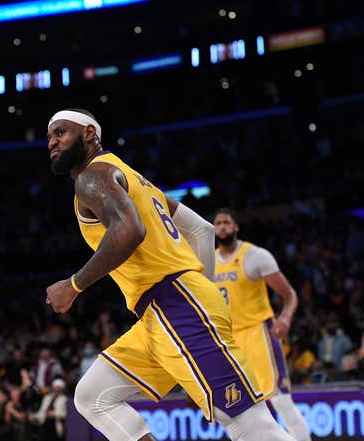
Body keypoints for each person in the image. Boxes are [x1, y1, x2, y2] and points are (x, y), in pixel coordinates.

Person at [44, 108, 296, 441]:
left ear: (90, 133)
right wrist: (202, 288)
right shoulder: (133, 178)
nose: (51, 142)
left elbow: (129, 230)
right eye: (49, 136)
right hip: (162, 313)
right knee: (93, 396)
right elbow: (203, 230)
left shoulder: (93, 176)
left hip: (175, 302)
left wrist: (74, 285)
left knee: (248, 424)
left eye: (61, 132)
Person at [214, 208, 311, 441]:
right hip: (228, 341)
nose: (222, 227)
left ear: (236, 227)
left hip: (258, 334)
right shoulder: (207, 261)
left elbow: (289, 294)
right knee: (238, 409)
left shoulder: (255, 255)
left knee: (280, 401)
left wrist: (285, 318)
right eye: (217, 223)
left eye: (227, 222)